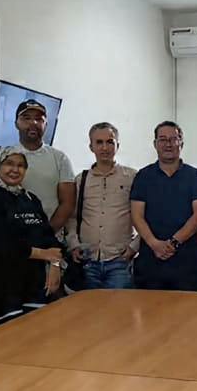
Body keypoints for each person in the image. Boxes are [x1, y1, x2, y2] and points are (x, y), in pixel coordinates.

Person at [0, 147, 64, 327]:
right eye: (9, 163)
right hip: (3, 288)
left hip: (35, 286)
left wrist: (55, 265)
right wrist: (43, 254)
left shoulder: (30, 198)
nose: (15, 170)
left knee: (38, 336)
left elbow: (48, 237)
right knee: (11, 340)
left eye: (21, 165)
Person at [130, 121, 197, 291]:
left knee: (188, 307)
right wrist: (154, 244)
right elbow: (137, 216)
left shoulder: (195, 176)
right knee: (150, 307)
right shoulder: (143, 177)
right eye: (163, 139)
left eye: (173, 139)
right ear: (155, 144)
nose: (168, 144)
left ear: (181, 143)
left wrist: (173, 243)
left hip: (187, 262)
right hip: (150, 261)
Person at [0, 99, 75, 235]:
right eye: (26, 118)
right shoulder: (0, 156)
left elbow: (67, 204)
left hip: (50, 238)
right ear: (16, 123)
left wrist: (45, 235)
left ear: (46, 124)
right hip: (9, 239)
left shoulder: (60, 158)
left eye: (39, 119)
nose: (33, 123)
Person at [66, 123, 138, 290]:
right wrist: (73, 244)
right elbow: (72, 217)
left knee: (118, 306)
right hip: (87, 261)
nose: (104, 147)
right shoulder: (81, 180)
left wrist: (134, 248)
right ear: (91, 147)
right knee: (89, 306)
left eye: (110, 142)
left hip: (120, 261)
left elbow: (144, 216)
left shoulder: (132, 177)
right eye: (99, 142)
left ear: (117, 145)